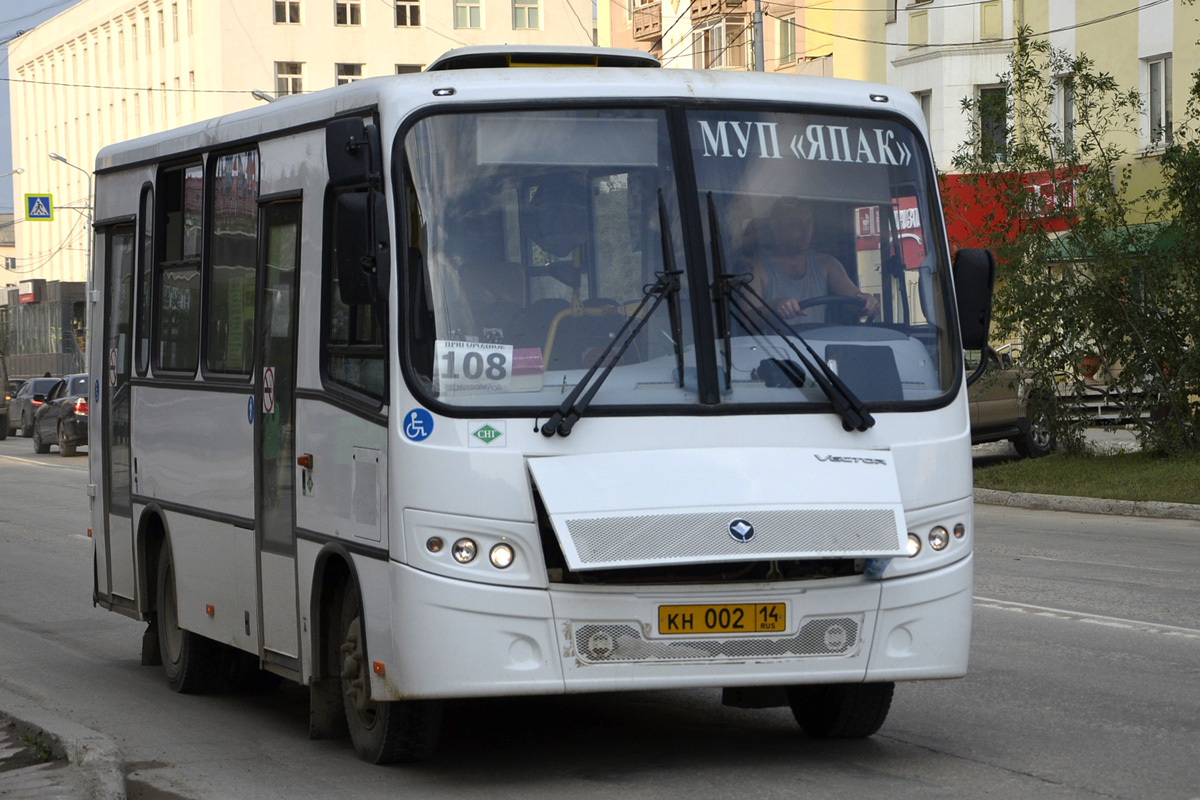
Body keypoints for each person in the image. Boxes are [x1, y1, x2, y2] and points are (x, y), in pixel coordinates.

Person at [747, 197, 880, 323]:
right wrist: (773, 308)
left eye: (808, 222)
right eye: (796, 224)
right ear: (775, 226)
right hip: (773, 347)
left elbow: (854, 300)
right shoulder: (755, 268)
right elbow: (747, 319)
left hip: (816, 346)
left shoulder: (827, 264)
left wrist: (867, 302)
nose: (806, 231)